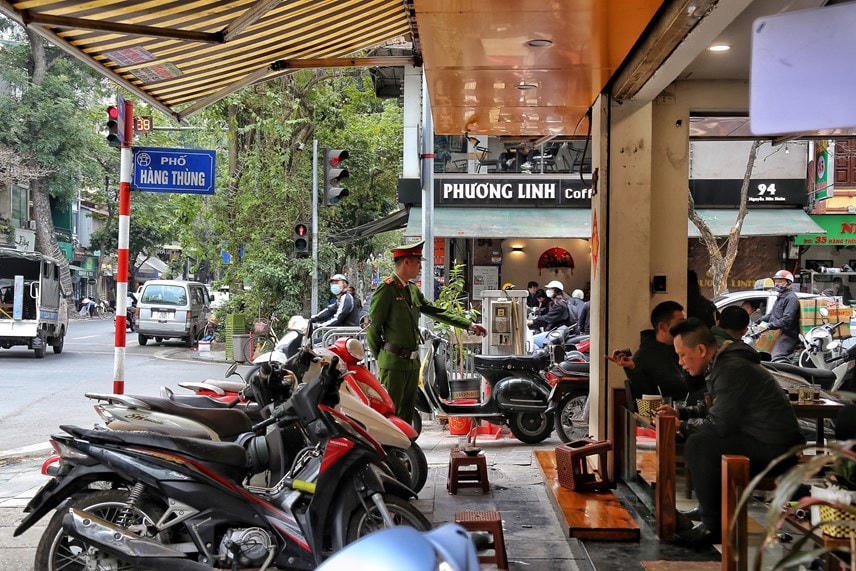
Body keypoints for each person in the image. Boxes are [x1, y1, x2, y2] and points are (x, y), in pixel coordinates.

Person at [656, 318, 804, 545]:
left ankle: (712, 527)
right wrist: (681, 413)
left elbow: (719, 423)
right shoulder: (722, 363)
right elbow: (717, 407)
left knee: (700, 443)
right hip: (762, 439)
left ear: (701, 349)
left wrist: (682, 426)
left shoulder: (731, 368)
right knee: (702, 440)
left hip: (776, 448)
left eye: (682, 355)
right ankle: (708, 509)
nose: (680, 362)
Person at [366, 241, 486, 422]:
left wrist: (468, 325)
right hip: (393, 363)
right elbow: (373, 328)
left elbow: (436, 311)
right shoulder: (386, 289)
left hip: (412, 363)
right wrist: (382, 358)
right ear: (406, 262)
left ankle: (407, 442)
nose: (420, 267)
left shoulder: (412, 290)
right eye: (417, 262)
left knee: (406, 414)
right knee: (391, 415)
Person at [606, 300, 688, 401]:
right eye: (680, 324)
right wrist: (633, 369)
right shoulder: (643, 357)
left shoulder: (682, 350)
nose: (685, 328)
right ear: (662, 327)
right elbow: (646, 399)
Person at [759, 270, 800, 362]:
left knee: (776, 356)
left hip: (787, 335)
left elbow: (787, 319)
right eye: (776, 281)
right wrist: (759, 321)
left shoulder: (791, 298)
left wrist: (770, 325)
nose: (777, 283)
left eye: (780, 281)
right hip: (776, 332)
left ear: (789, 282)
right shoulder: (780, 296)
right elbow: (771, 315)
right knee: (761, 351)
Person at [529, 280, 570, 348]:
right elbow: (545, 312)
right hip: (552, 331)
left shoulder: (560, 305)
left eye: (550, 289)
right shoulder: (553, 303)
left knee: (534, 341)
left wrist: (532, 321)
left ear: (556, 291)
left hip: (556, 333)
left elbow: (548, 317)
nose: (548, 291)